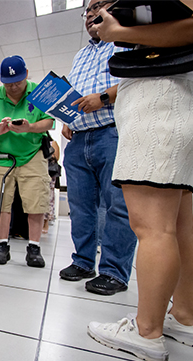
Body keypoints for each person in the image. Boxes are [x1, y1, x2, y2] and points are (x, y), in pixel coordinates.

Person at [88, 0, 193, 361]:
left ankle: (147, 331)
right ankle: (186, 318)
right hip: (182, 101)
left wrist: (118, 32)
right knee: (178, 225)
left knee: (153, 228)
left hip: (158, 108)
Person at [58, 0, 138, 296]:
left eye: (99, 5)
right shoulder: (81, 54)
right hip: (78, 139)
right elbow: (78, 95)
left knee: (118, 205)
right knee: (80, 207)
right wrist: (68, 117)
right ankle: (82, 262)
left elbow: (139, 79)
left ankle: (114, 272)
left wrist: (103, 98)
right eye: (87, 11)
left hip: (113, 132)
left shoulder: (128, 40)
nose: (91, 13)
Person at [0, 55, 54, 268]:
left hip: (32, 155)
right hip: (2, 157)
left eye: (18, 82)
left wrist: (30, 127)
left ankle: (34, 247)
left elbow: (49, 121)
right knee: (0, 203)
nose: (13, 87)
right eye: (8, 83)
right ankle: (2, 245)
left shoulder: (39, 91)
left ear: (26, 75)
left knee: (36, 202)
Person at [42, 139, 60, 234]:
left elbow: (56, 157)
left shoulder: (53, 143)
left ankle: (46, 222)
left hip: (49, 174)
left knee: (49, 199)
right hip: (38, 172)